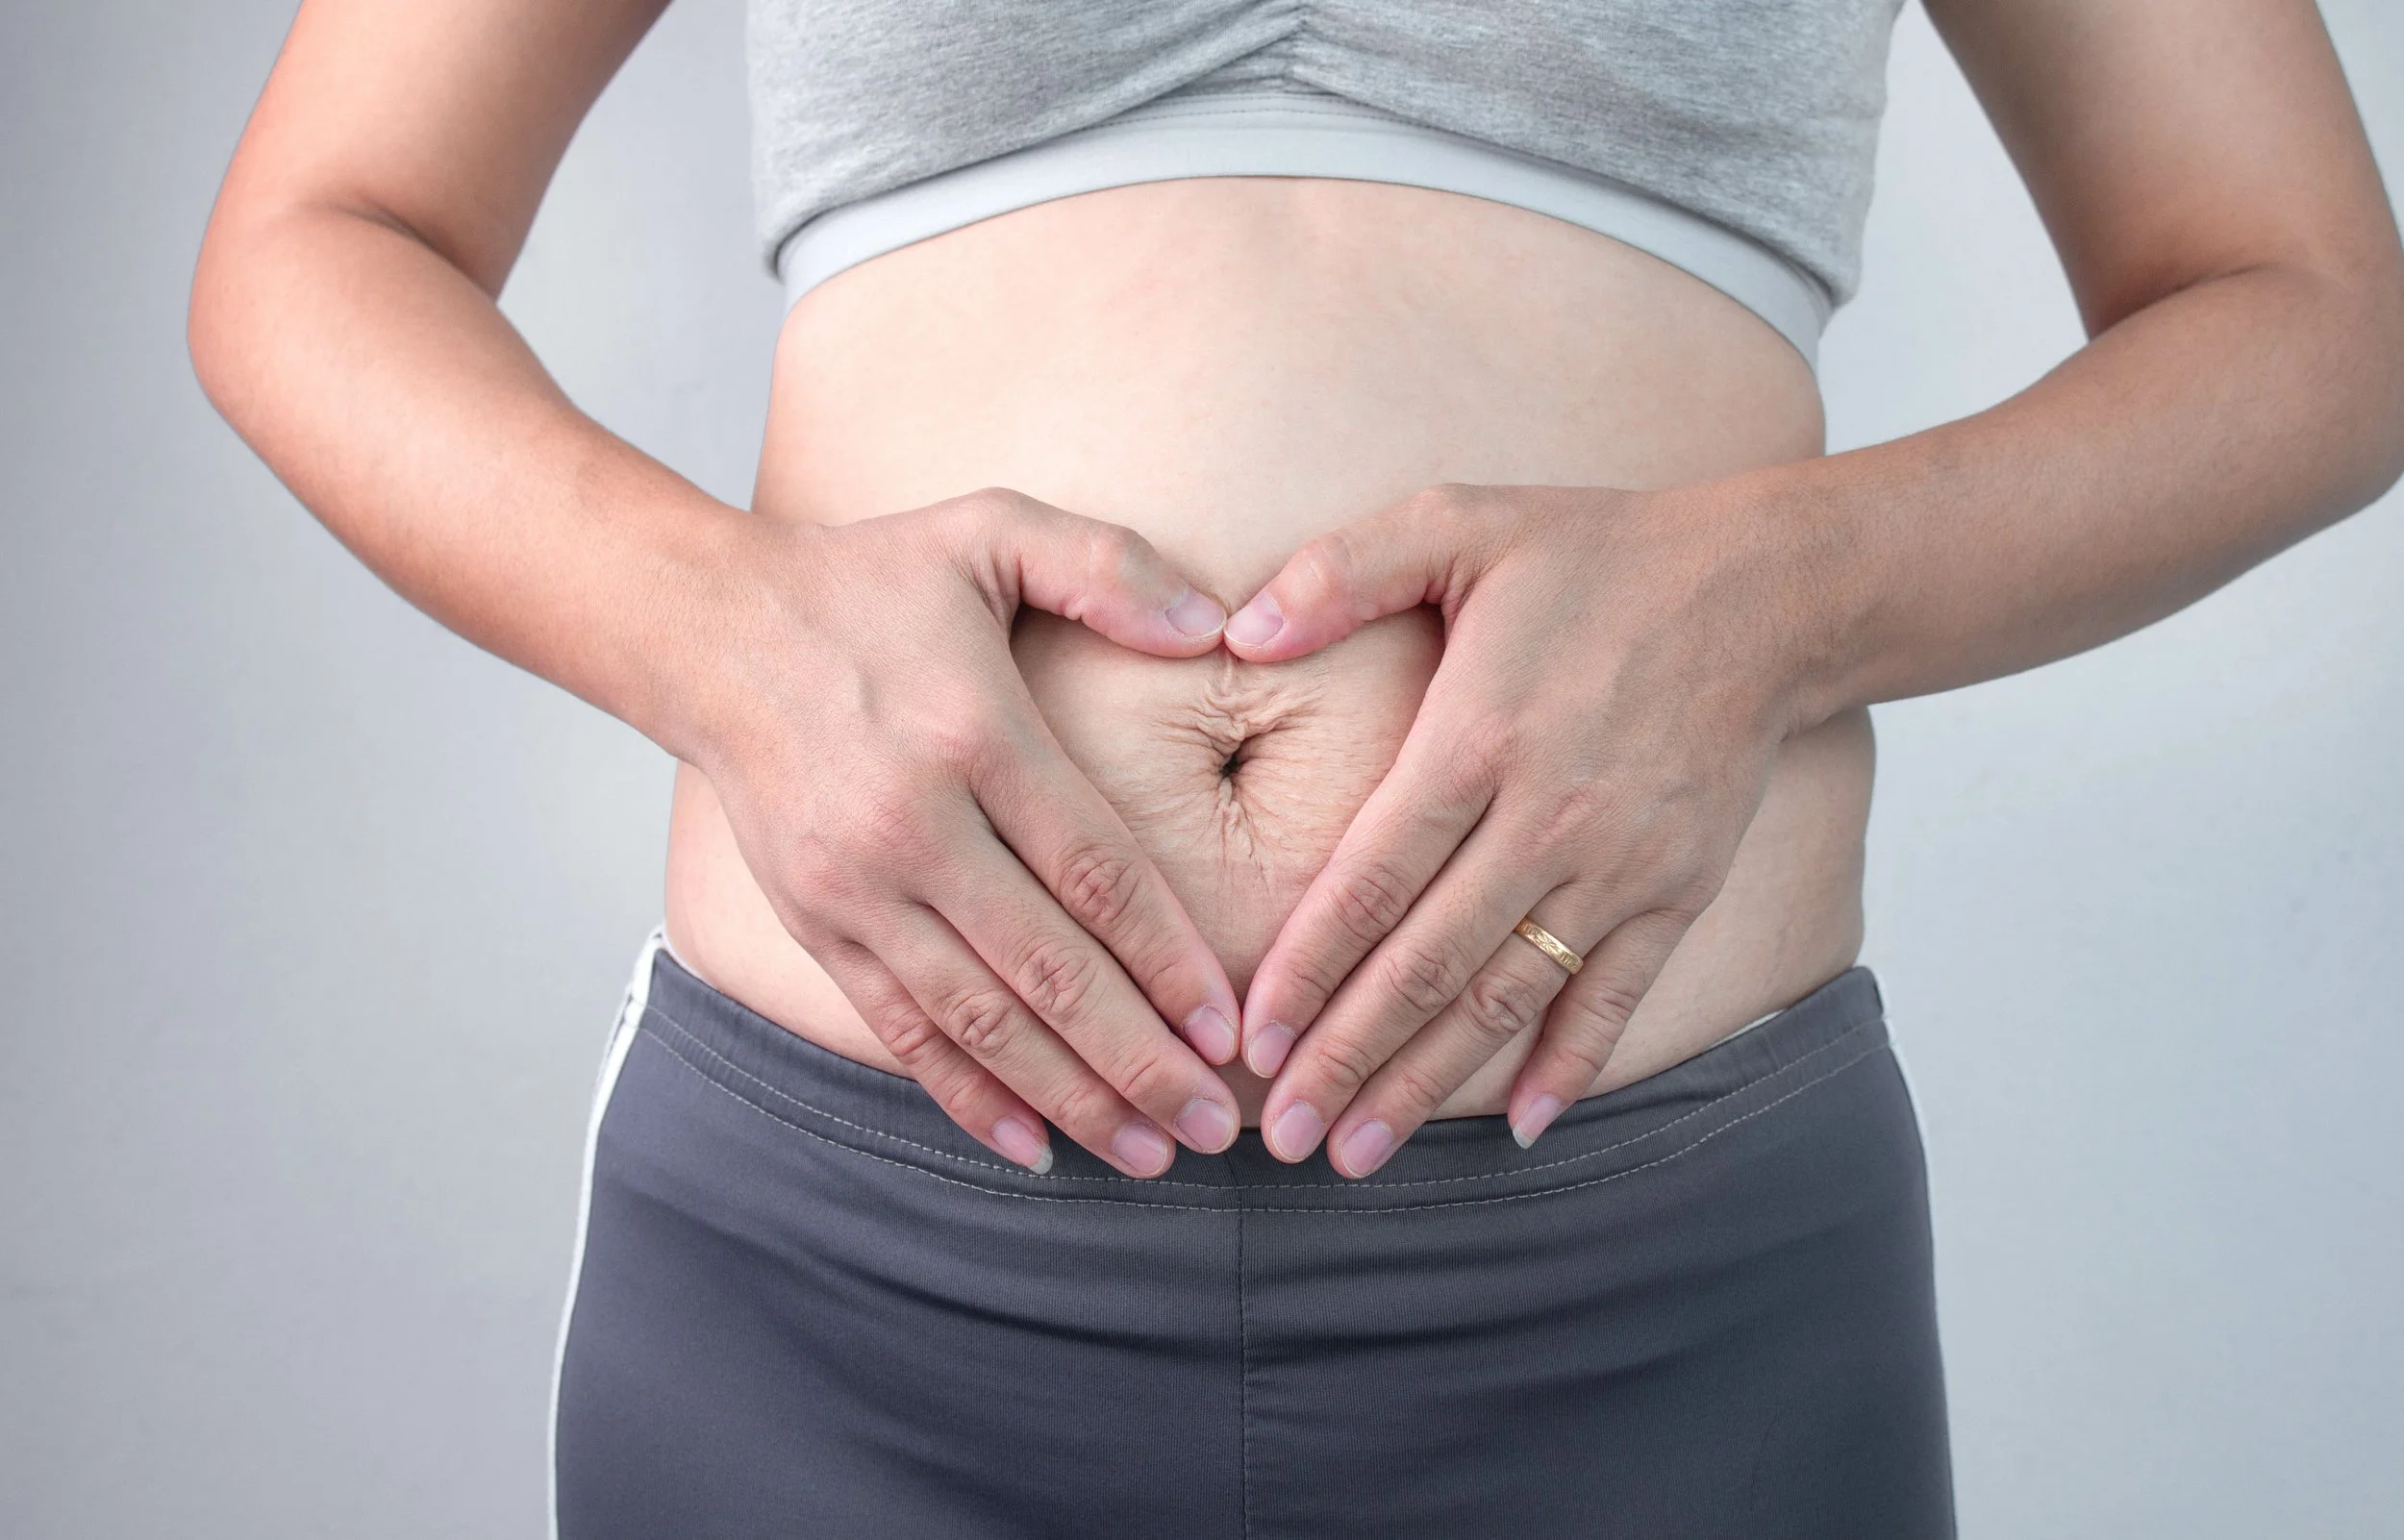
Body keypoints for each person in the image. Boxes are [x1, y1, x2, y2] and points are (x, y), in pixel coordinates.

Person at [188, 1, 2404, 1534]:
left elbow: (2310, 309)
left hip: (1651, 1288)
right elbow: (324, 233)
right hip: (852, 1288)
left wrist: (1781, 589)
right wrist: (723, 631)